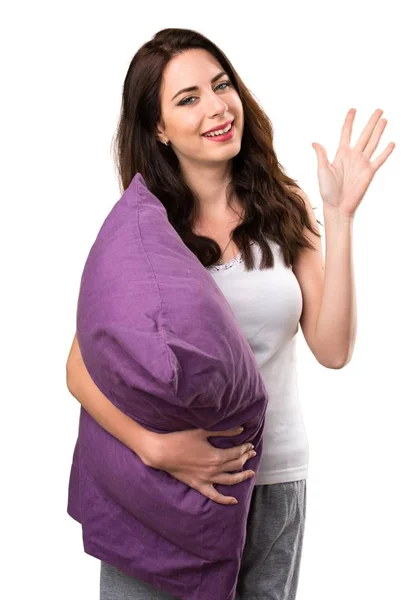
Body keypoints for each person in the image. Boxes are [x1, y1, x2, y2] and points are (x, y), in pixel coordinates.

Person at [67, 25, 393, 600]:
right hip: (162, 486)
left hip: (270, 482)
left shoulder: (281, 210)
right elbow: (80, 365)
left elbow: (333, 349)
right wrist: (154, 446)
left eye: (222, 86)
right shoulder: (144, 231)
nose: (217, 108)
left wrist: (338, 217)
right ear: (159, 128)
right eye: (188, 99)